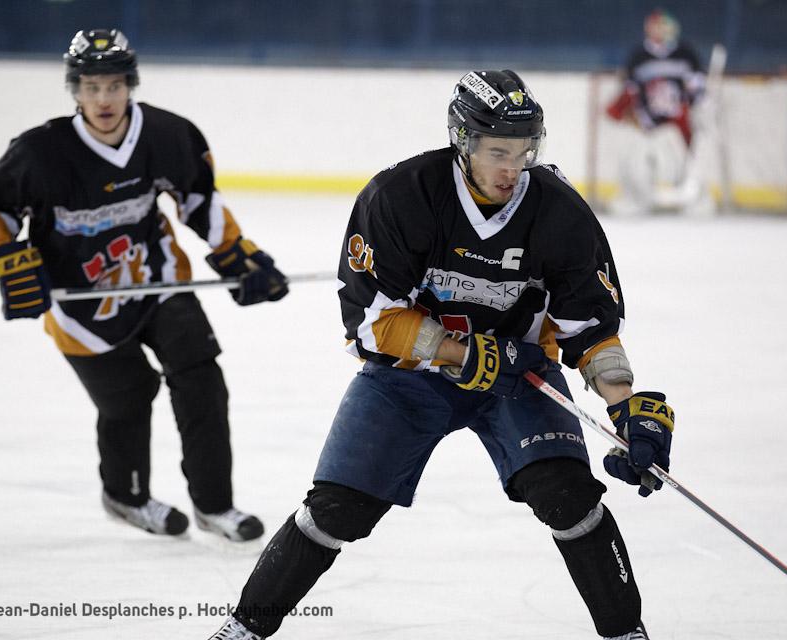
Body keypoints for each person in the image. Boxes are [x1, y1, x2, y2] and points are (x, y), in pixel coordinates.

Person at [209, 70, 674, 640]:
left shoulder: (561, 213)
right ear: (463, 140)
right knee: (338, 507)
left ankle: (628, 633)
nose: (511, 167)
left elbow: (590, 328)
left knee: (568, 494)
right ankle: (245, 628)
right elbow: (371, 322)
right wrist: (458, 352)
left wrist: (626, 404)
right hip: (410, 376)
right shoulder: (402, 196)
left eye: (524, 151)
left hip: (519, 375)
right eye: (496, 150)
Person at [0, 28, 288, 542]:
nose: (103, 99)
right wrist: (6, 260)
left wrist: (235, 253)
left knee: (203, 381)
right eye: (91, 87)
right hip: (81, 307)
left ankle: (215, 506)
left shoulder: (166, 135)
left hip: (155, 279)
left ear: (130, 85)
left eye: (114, 85)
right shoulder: (39, 152)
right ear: (75, 90)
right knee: (128, 399)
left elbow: (198, 200)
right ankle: (126, 495)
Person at [606, 8, 710, 215]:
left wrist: (699, 104)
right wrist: (626, 114)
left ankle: (693, 201)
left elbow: (698, 90)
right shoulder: (639, 56)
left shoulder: (685, 53)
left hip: (677, 124)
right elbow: (630, 91)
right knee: (634, 161)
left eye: (663, 26)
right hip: (646, 124)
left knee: (682, 163)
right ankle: (635, 199)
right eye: (655, 26)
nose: (659, 31)